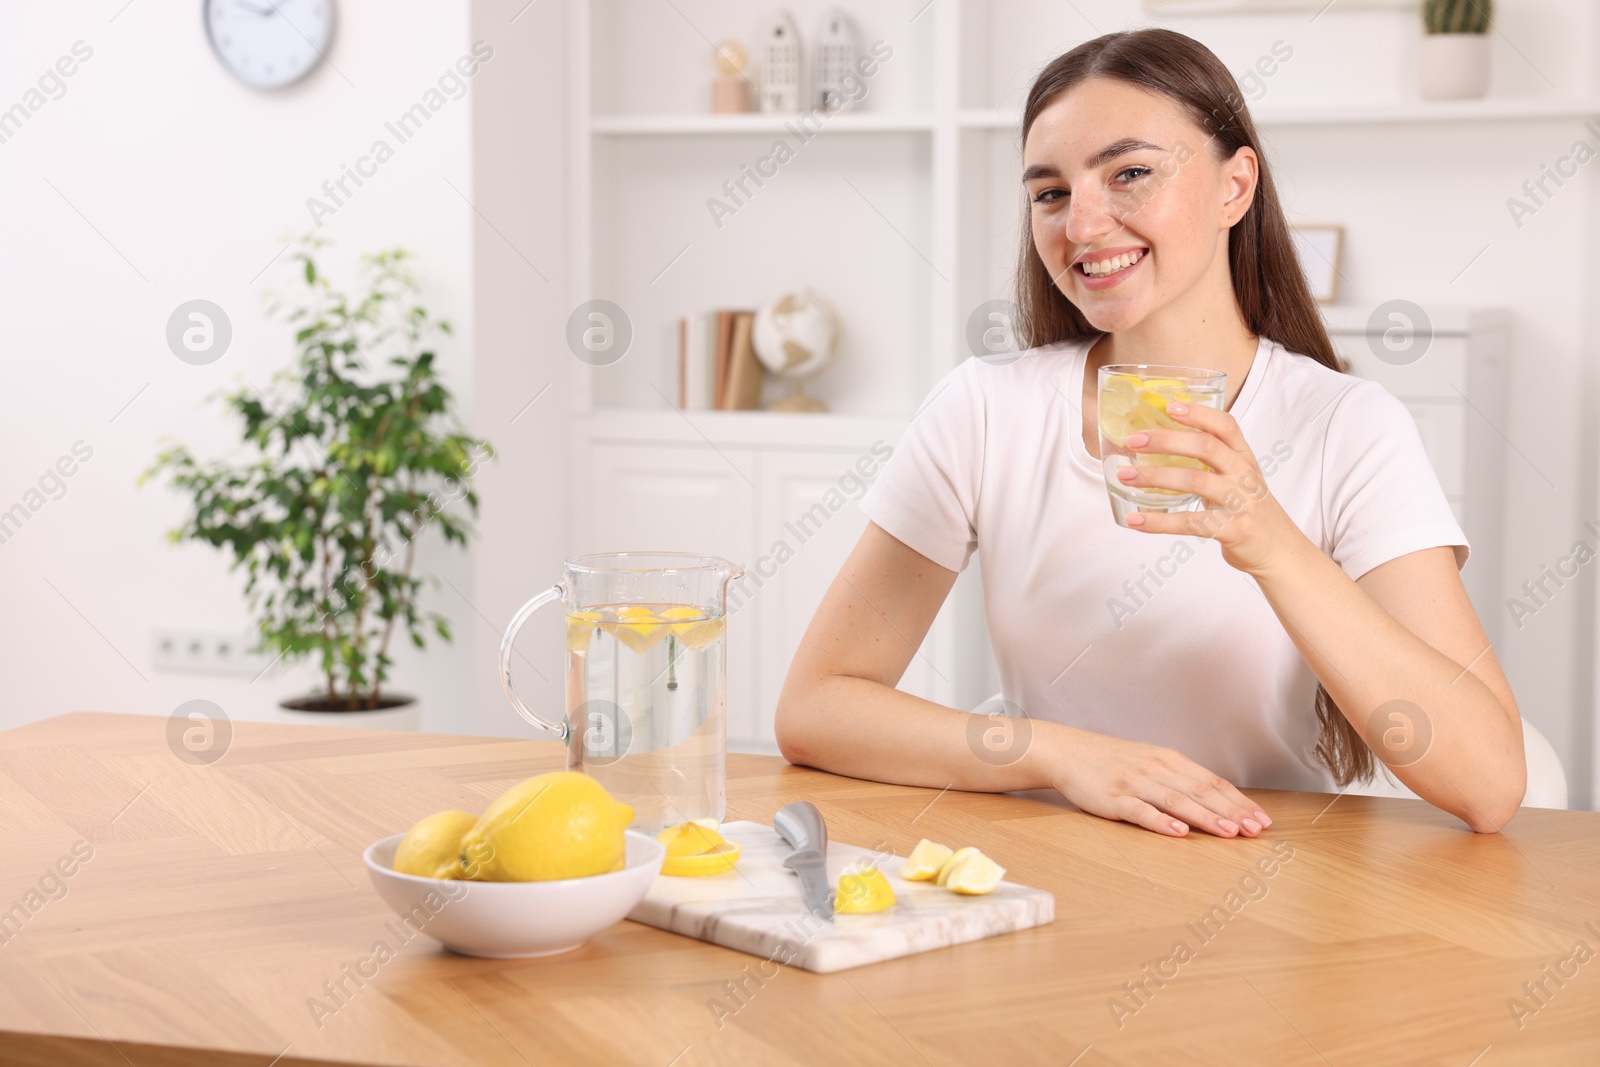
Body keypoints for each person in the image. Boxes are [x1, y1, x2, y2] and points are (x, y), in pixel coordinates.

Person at [773, 28, 1525, 838]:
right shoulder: (984, 410)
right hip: (1057, 876)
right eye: (1051, 192)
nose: (1084, 225)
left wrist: (1269, 541)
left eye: (1130, 174)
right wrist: (1066, 756)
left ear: (1236, 187)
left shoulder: (1348, 426)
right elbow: (817, 705)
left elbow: (1489, 782)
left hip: (1273, 888)